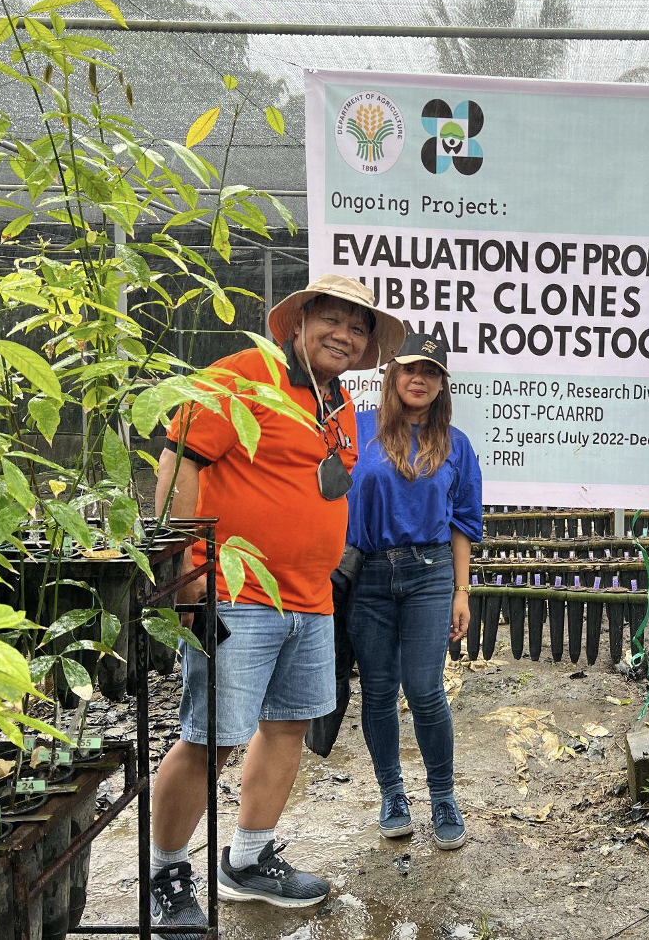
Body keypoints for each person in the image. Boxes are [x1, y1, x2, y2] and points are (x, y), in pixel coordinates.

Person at [143, 275, 404, 926]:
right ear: (298, 321)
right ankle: (165, 872)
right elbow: (178, 460)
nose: (344, 334)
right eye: (332, 319)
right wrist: (185, 566)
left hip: (311, 600)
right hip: (236, 591)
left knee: (286, 727)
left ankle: (248, 860)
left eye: (358, 326)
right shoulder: (243, 373)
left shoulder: (337, 401)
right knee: (209, 738)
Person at [342, 331, 483, 850]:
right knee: (378, 691)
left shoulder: (457, 445)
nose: (418, 378)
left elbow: (464, 524)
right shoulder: (358, 430)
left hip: (430, 574)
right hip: (370, 576)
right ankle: (392, 793)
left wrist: (462, 592)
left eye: (430, 371)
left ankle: (443, 796)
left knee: (424, 689)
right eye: (409, 369)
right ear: (392, 375)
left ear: (442, 382)